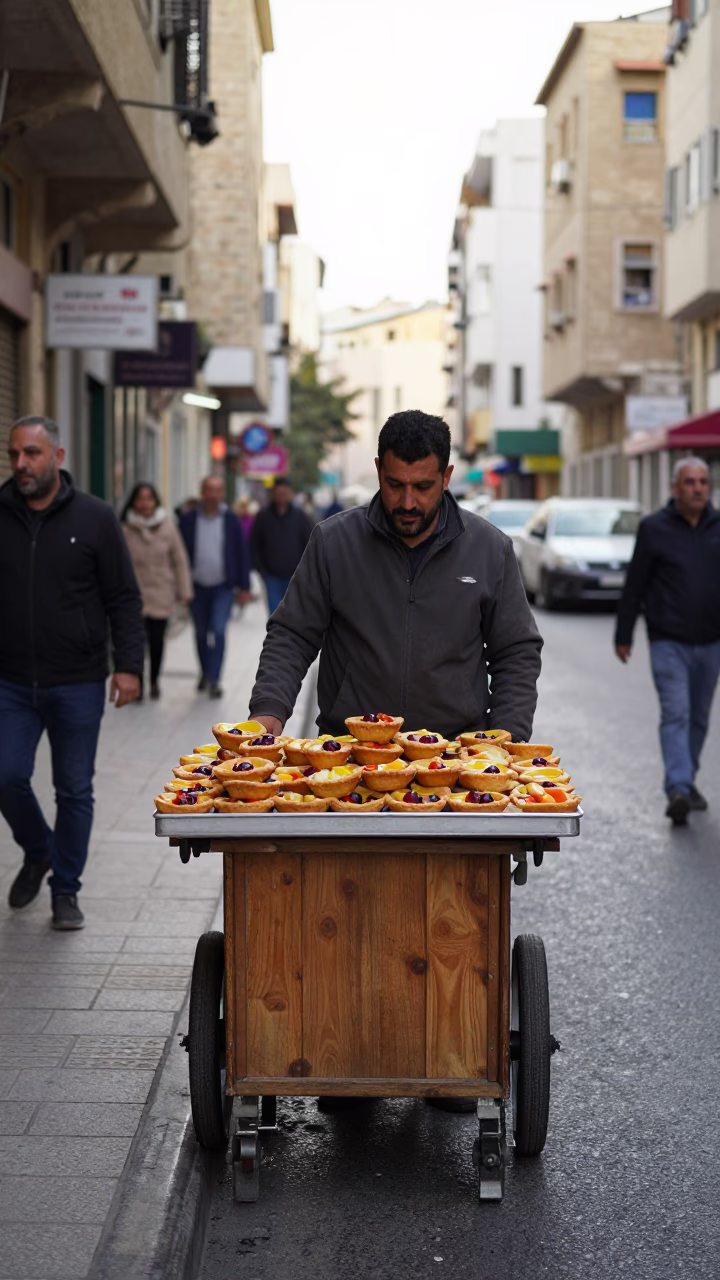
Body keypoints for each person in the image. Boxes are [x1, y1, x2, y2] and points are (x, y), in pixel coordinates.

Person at [249, 411, 543, 1112]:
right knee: (347, 916)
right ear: (378, 473)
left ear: (447, 477)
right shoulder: (334, 542)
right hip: (350, 767)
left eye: (421, 487)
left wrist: (503, 739)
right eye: (392, 485)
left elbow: (516, 652)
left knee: (452, 921)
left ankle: (449, 1060)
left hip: (454, 769)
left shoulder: (491, 549)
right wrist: (266, 718)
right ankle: (347, 1062)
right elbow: (293, 634)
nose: (406, 503)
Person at [0, 416, 144, 930]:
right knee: (7, 774)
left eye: (33, 453)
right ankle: (39, 850)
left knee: (73, 788)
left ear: (58, 457)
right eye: (15, 453)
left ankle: (65, 890)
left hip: (78, 679)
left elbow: (123, 597)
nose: (21, 464)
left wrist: (128, 666)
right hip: (11, 680)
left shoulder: (96, 517)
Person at [615, 456, 720, 826]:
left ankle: (685, 779)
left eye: (703, 482)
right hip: (668, 640)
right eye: (690, 482)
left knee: (700, 718)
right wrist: (623, 634)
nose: (697, 488)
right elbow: (636, 583)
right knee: (677, 712)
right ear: (675, 488)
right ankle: (677, 786)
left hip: (711, 642)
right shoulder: (654, 528)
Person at [179, 475, 251, 698]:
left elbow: (240, 552)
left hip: (223, 586)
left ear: (222, 494)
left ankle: (215, 678)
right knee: (201, 632)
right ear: (203, 493)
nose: (214, 494)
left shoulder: (230, 519)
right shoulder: (188, 519)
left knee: (218, 630)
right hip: (196, 585)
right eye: (209, 490)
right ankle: (205, 671)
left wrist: (244, 586)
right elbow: (179, 554)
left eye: (218, 490)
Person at [121, 483, 193, 699]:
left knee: (157, 640)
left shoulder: (168, 527)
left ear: (156, 502)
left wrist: (184, 590)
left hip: (161, 590)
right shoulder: (124, 529)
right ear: (134, 502)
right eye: (140, 499)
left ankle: (154, 680)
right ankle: (138, 684)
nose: (145, 504)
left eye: (149, 499)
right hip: (134, 592)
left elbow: (179, 560)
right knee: (136, 641)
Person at [249, 477, 313, 614]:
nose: (282, 497)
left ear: (290, 494)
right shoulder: (263, 516)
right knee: (275, 615)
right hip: (271, 576)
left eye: (285, 493)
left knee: (294, 615)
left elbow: (310, 543)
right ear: (273, 494)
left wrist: (305, 570)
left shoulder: (300, 516)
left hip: (295, 576)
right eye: (278, 493)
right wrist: (261, 569)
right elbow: (254, 544)